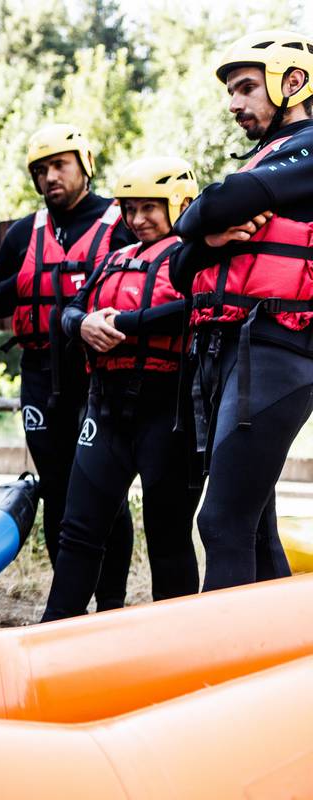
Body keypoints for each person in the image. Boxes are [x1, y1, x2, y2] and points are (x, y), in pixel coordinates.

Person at [170, 30, 313, 591]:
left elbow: (211, 205)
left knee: (222, 522)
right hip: (232, 352)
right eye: (230, 91)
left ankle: (220, 648)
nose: (233, 103)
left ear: (293, 82)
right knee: (255, 532)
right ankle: (285, 644)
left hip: (278, 351)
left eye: (246, 87)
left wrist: (199, 222)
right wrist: (206, 239)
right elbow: (181, 267)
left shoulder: (308, 150)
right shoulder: (263, 161)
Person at [0, 123, 137, 611]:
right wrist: (29, 280)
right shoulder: (24, 233)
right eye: (41, 170)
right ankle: (69, 605)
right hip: (41, 376)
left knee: (106, 491)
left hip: (102, 375)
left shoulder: (121, 221)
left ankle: (111, 604)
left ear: (84, 166)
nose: (51, 177)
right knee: (57, 489)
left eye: (60, 165)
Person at [41, 157, 203, 621]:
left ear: (181, 204)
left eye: (149, 207)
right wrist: (83, 323)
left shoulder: (194, 257)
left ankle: (177, 641)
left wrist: (124, 324)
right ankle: (56, 628)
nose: (137, 219)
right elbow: (67, 311)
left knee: (168, 536)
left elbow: (194, 307)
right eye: (130, 209)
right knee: (78, 530)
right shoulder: (115, 259)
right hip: (106, 410)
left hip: (168, 412)